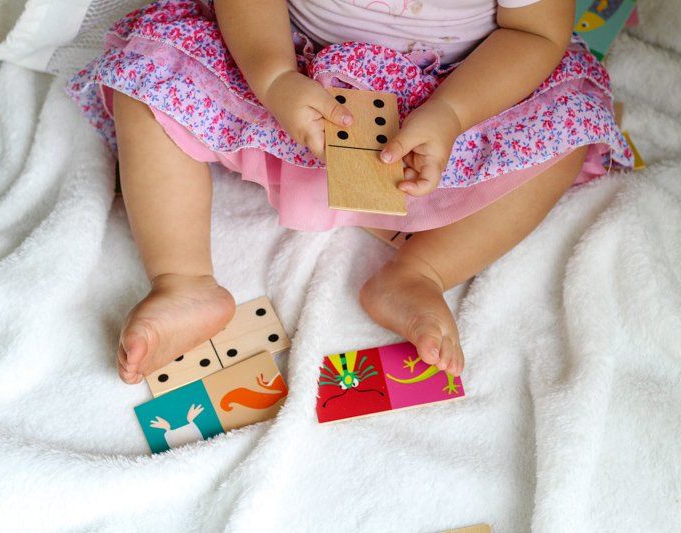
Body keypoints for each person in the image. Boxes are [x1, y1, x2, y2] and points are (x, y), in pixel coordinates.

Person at [65, 0, 633, 384]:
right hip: (287, 73)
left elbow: (535, 35)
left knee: (569, 127)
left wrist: (452, 113)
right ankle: (182, 280)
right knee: (152, 70)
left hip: (450, 102)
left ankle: (420, 273)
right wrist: (274, 79)